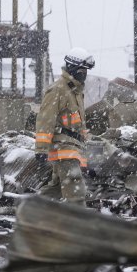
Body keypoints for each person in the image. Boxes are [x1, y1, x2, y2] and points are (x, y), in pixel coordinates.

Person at [35, 47, 95, 205]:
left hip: (74, 147)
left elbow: (79, 126)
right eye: (82, 70)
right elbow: (45, 120)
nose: (85, 74)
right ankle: (78, 224)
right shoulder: (57, 90)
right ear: (72, 68)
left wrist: (86, 155)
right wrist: (41, 148)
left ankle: (31, 208)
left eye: (86, 70)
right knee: (75, 191)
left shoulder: (75, 91)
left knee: (55, 190)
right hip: (63, 148)